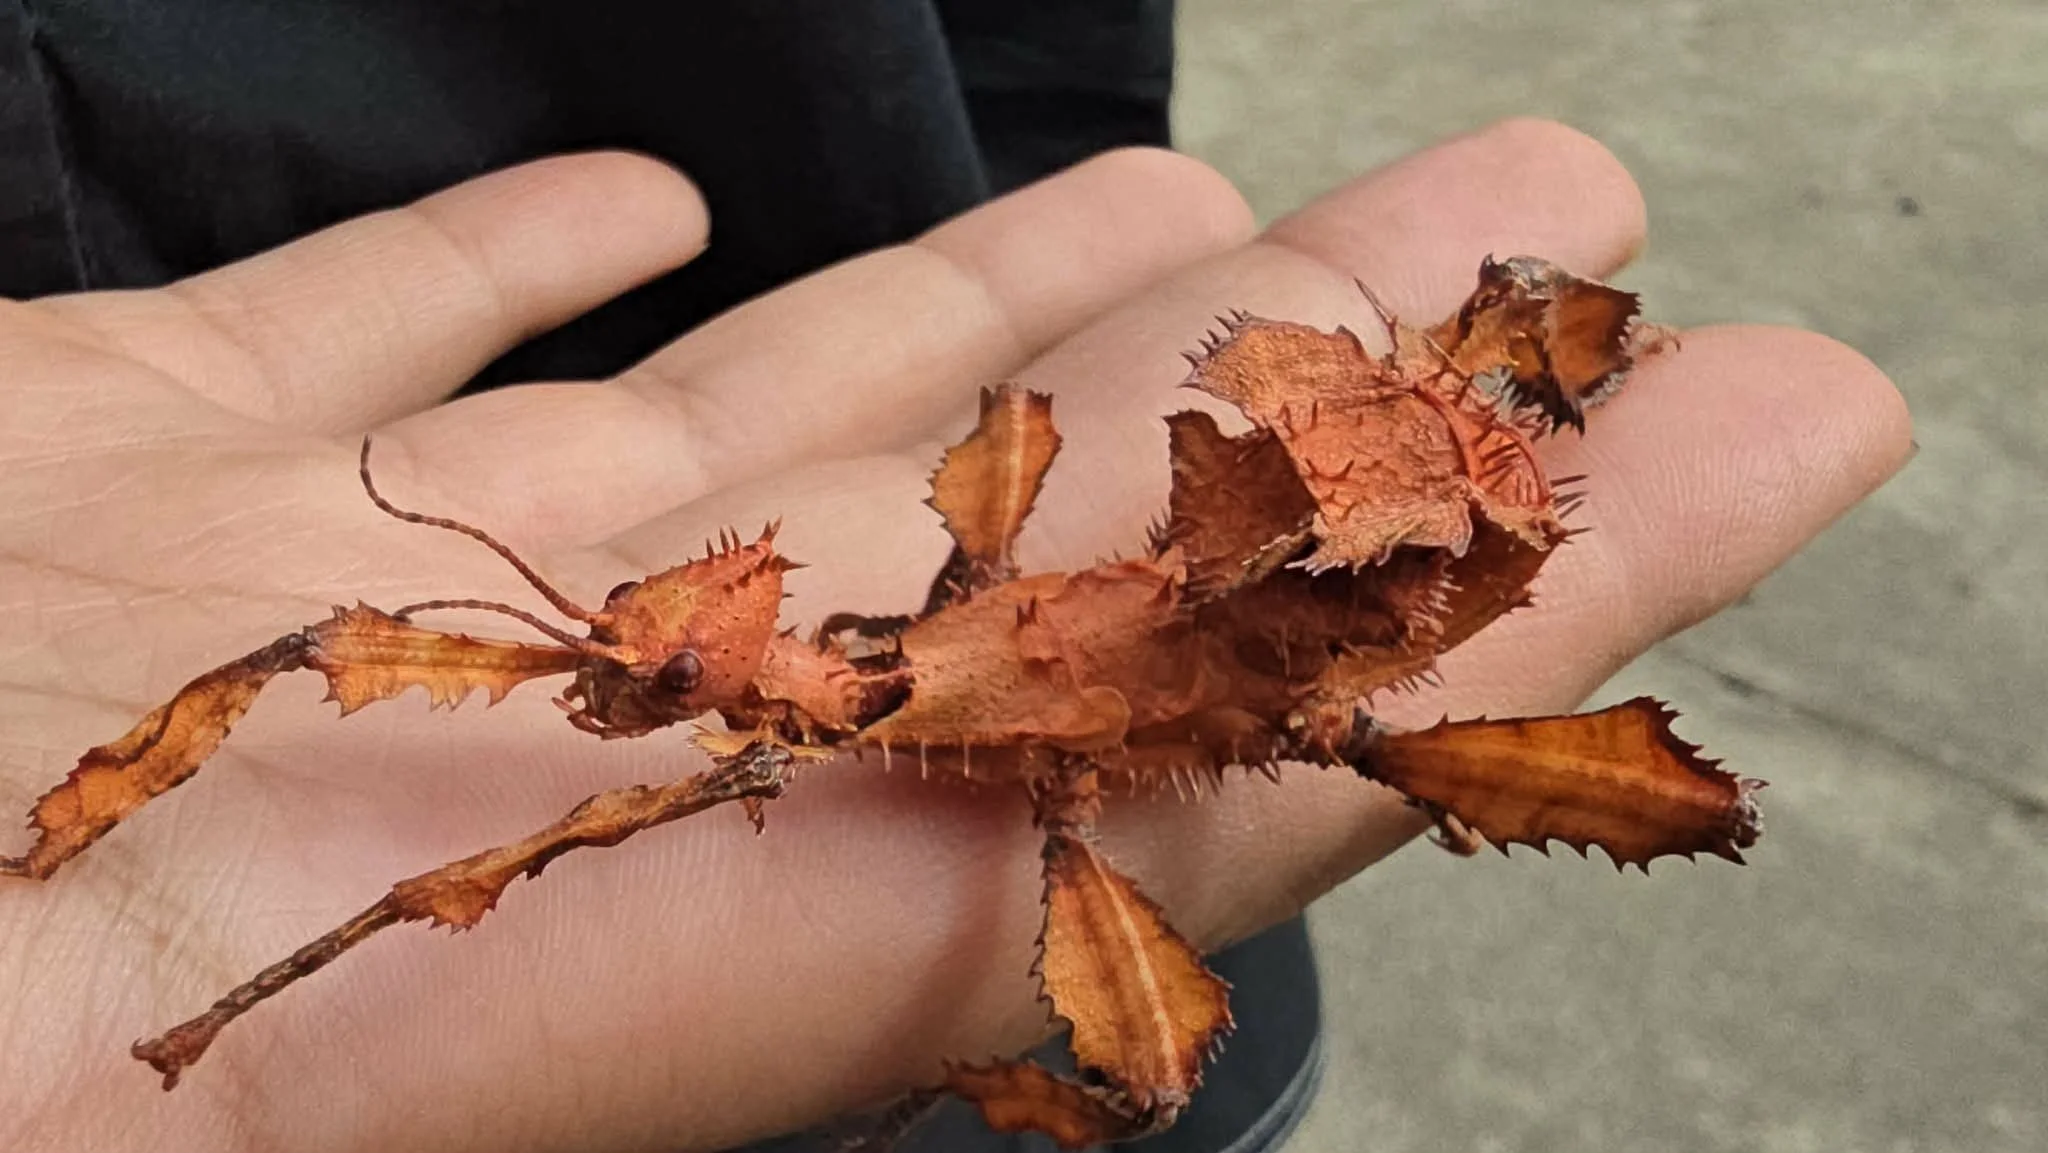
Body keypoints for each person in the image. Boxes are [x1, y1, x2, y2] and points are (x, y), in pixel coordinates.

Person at [0, 5, 1911, 1153]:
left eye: (661, 672)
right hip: (1191, 569)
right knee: (1145, 1071)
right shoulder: (831, 661)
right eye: (671, 667)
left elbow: (491, 863)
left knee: (1151, 1064)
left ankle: (927, 1123)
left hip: (1322, 623)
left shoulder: (839, 708)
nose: (630, 683)